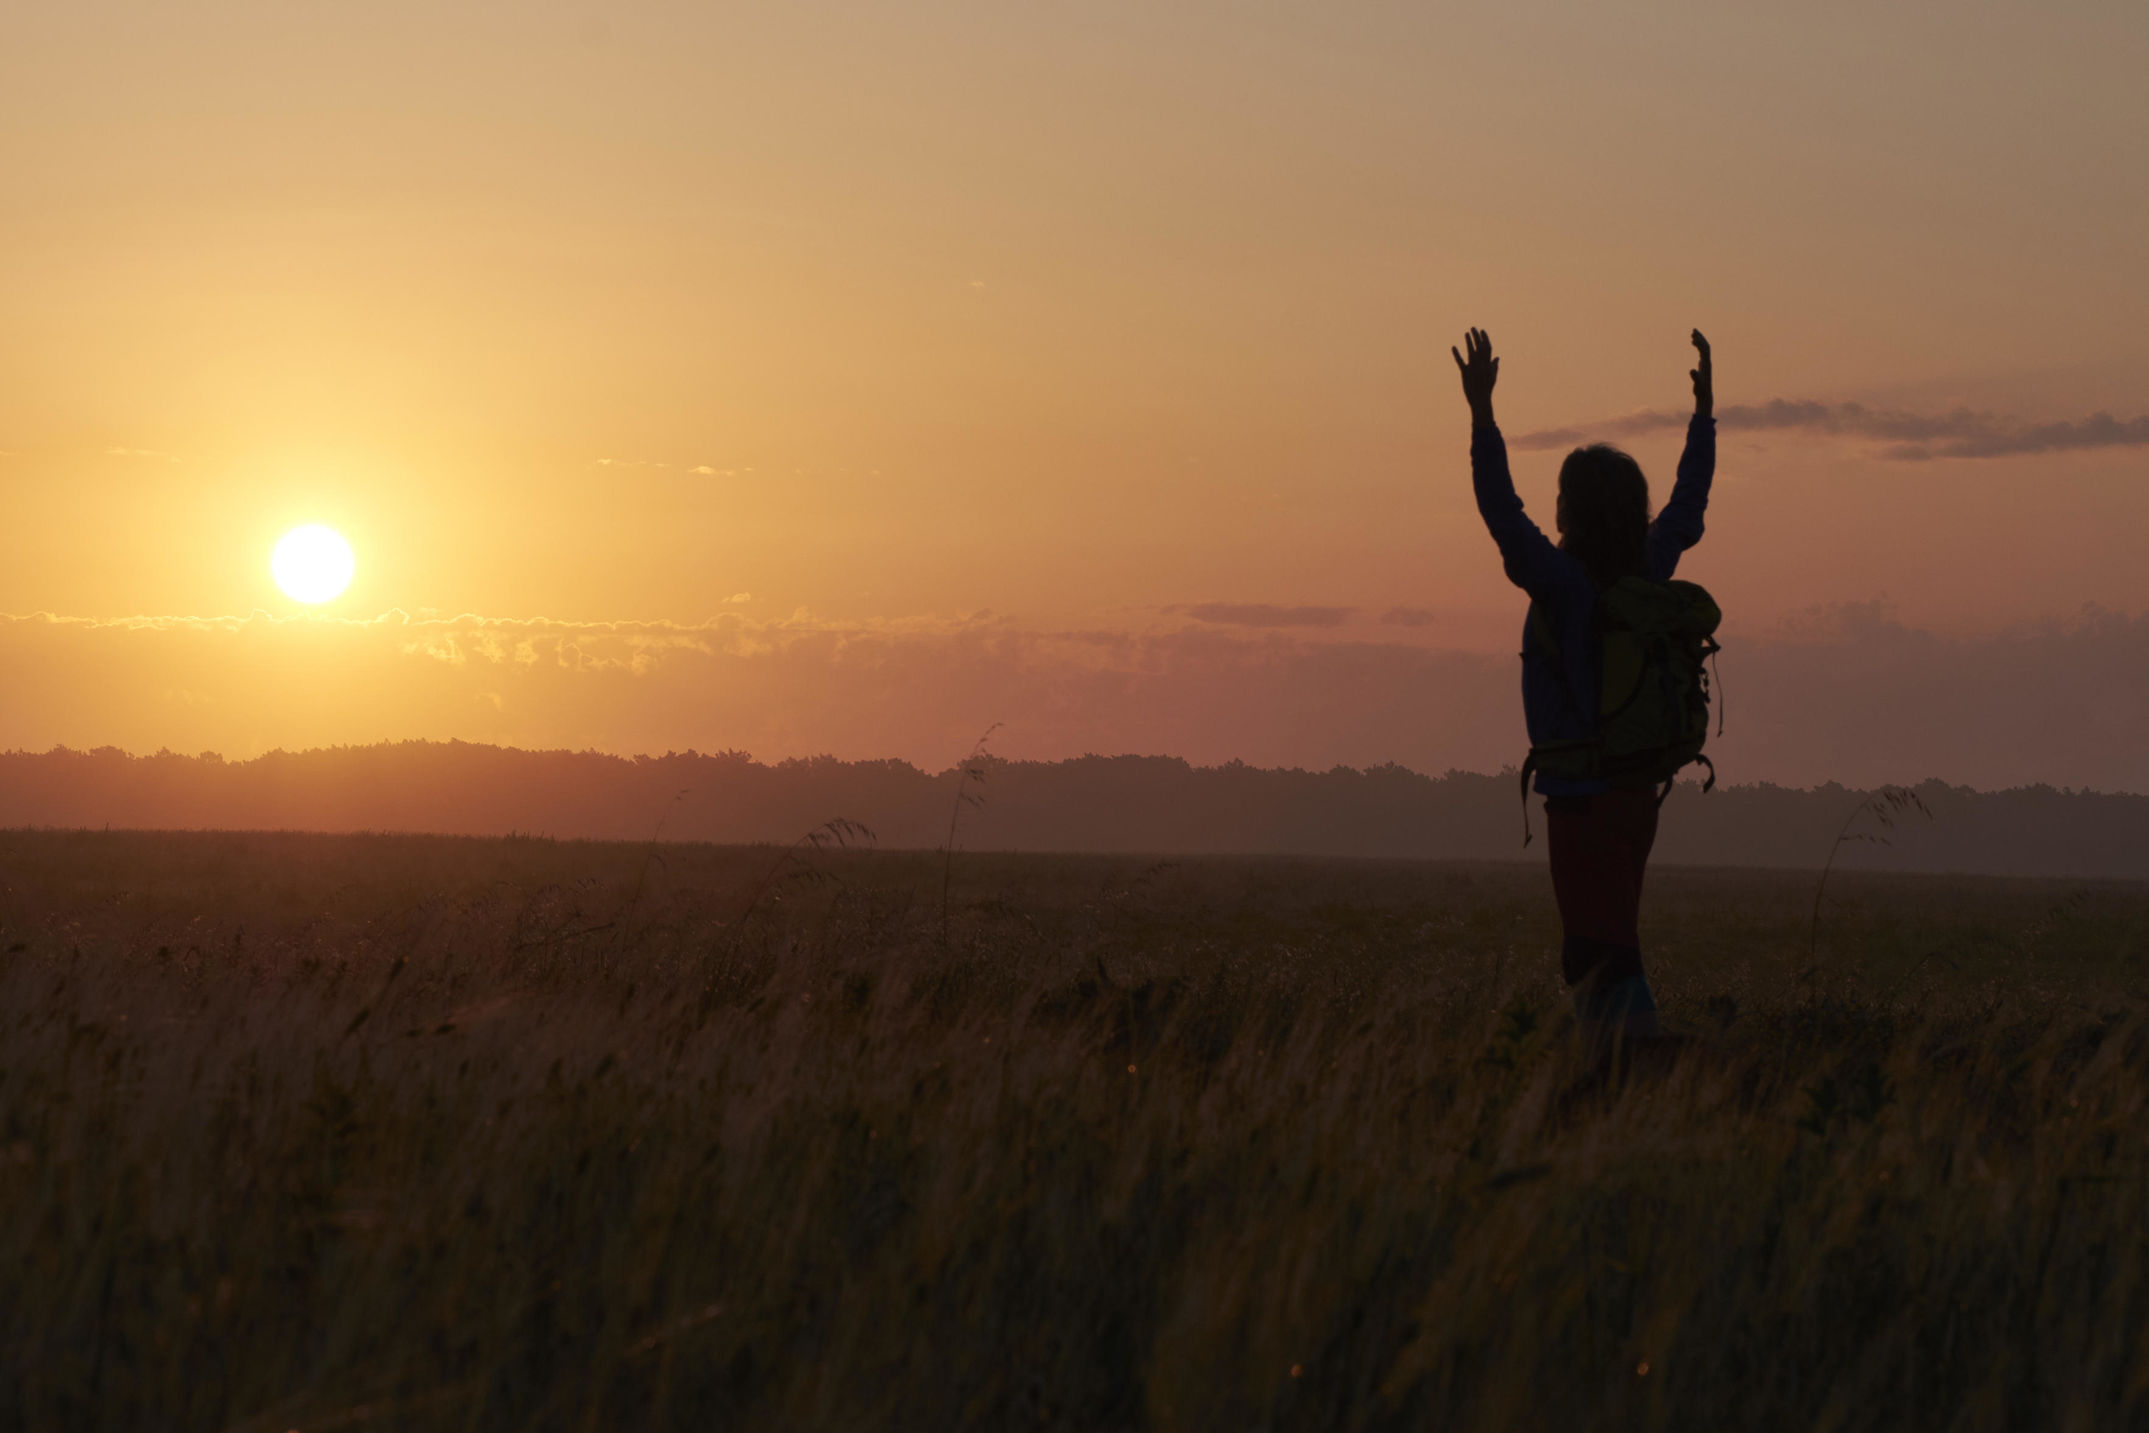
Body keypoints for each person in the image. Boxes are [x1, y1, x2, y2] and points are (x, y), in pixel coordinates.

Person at [1452, 326, 1715, 1038]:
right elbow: (1688, 508)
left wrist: (1481, 414)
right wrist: (1702, 416)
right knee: (1608, 944)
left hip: (1580, 798)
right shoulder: (1647, 569)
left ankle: (1642, 1068)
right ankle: (1609, 1082)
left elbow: (1500, 512)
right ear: (1634, 509)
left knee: (1599, 955)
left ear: (1567, 510)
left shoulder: (1564, 587)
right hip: (1637, 794)